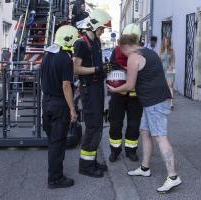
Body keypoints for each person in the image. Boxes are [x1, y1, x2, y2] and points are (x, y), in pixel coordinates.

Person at [107, 24, 182, 194]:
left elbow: (129, 85)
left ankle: (173, 176)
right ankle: (145, 167)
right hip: (152, 101)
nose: (124, 56)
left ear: (127, 46)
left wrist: (113, 89)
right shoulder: (149, 52)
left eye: (123, 51)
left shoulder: (134, 57)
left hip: (155, 103)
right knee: (144, 132)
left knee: (160, 137)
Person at [73, 9, 111, 178]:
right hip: (89, 90)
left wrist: (104, 68)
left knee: (97, 125)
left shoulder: (95, 42)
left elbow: (95, 65)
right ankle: (86, 166)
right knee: (93, 127)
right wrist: (96, 69)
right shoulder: (81, 43)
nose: (103, 31)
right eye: (101, 28)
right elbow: (76, 68)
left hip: (97, 88)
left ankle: (92, 161)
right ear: (94, 26)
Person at [41, 25, 78, 189]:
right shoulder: (65, 59)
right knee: (58, 142)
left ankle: (54, 173)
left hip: (46, 102)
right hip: (59, 105)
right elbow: (66, 86)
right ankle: (55, 179)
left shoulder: (47, 55)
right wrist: (72, 108)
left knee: (52, 141)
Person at [108, 24, 143, 163]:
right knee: (115, 124)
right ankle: (115, 151)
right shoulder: (116, 51)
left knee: (134, 125)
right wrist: (115, 68)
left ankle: (131, 150)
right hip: (119, 94)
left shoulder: (141, 52)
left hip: (135, 96)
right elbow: (110, 69)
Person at [159, 36, 175, 109]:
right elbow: (158, 61)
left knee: (170, 86)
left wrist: (171, 66)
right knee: (163, 86)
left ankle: (171, 103)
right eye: (165, 41)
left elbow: (173, 60)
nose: (166, 43)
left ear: (169, 42)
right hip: (162, 70)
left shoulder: (171, 50)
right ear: (163, 42)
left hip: (169, 70)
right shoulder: (160, 50)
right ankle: (163, 101)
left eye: (167, 41)